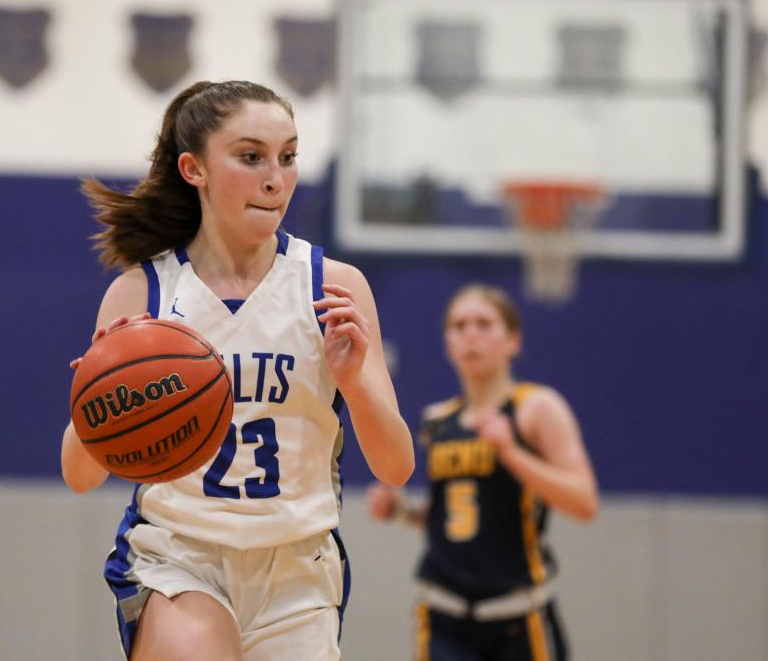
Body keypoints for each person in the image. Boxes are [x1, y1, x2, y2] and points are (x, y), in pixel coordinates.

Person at [60, 79, 415, 661]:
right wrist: (98, 401)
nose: (275, 178)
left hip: (298, 567)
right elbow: (79, 474)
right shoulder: (143, 292)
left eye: (288, 156)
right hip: (178, 555)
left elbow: (397, 466)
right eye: (251, 157)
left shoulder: (333, 287)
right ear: (194, 169)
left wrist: (352, 383)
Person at [367, 284, 598, 661]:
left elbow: (584, 501)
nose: (470, 335)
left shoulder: (535, 409)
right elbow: (457, 515)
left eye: (484, 324)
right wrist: (402, 511)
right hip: (444, 615)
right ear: (447, 343)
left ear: (513, 341)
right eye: (459, 326)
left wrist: (512, 454)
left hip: (518, 616)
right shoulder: (437, 421)